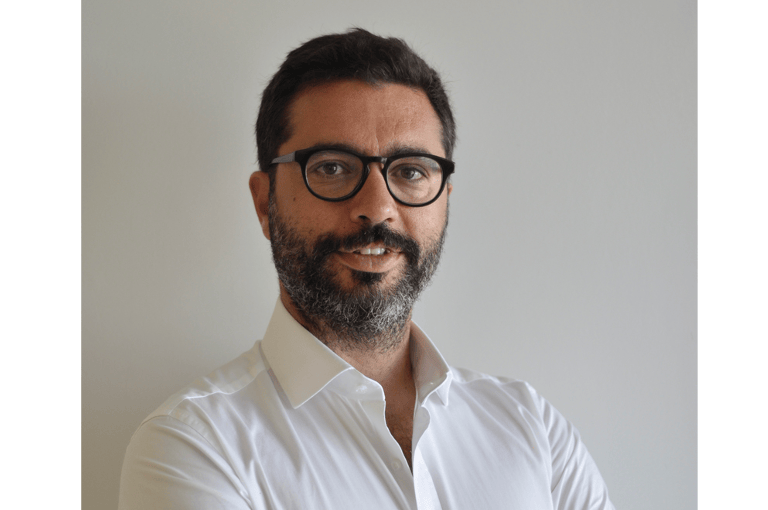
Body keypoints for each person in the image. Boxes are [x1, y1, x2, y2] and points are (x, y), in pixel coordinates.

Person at [119, 28, 615, 509]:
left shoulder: (530, 426)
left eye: (411, 171)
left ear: (444, 199)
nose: (377, 207)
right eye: (332, 167)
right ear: (265, 203)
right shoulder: (193, 447)